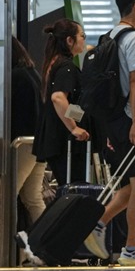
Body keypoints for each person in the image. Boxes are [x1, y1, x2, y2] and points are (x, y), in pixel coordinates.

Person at [82, 0, 135, 265]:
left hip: (112, 119)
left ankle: (99, 222)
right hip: (130, 118)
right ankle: (131, 248)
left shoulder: (108, 37)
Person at [33, 19, 90, 188]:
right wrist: (74, 127)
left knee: (67, 190)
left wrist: (82, 117)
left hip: (55, 138)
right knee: (73, 191)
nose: (84, 40)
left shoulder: (54, 63)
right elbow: (58, 98)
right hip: (64, 142)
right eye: (82, 36)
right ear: (69, 40)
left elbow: (63, 103)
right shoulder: (66, 67)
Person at [10, 35, 46, 227]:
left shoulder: (15, 76)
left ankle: (12, 248)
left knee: (8, 194)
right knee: (33, 197)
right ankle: (47, 247)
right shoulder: (31, 73)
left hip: (23, 143)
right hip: (38, 142)